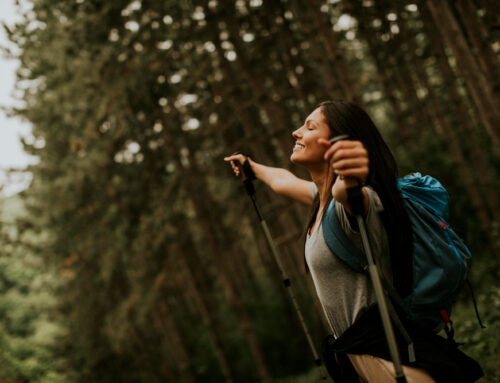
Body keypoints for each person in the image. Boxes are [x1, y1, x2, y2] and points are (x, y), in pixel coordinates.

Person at [224, 100, 483, 383]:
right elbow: (282, 181)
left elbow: (351, 194)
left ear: (334, 144)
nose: (296, 132)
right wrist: (252, 167)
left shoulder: (355, 203)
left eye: (309, 127)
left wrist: (349, 176)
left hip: (387, 362)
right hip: (365, 360)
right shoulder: (321, 202)